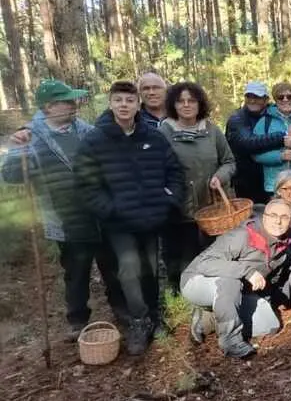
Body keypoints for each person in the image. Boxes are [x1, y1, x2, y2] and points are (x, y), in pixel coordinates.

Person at [1, 80, 124, 339]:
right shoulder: (31, 137)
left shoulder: (87, 131)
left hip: (100, 213)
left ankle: (121, 310)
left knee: (111, 266)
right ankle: (77, 320)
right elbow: (12, 175)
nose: (73, 105)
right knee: (76, 272)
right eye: (66, 101)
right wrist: (16, 149)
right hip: (65, 217)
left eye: (72, 101)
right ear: (49, 107)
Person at [75, 80, 184, 355]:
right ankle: (138, 320)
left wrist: (168, 200)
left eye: (129, 101)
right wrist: (110, 209)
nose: (124, 105)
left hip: (150, 219)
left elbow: (175, 172)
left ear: (138, 105)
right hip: (119, 223)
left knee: (150, 267)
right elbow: (85, 185)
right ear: (110, 103)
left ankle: (155, 318)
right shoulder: (95, 140)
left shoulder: (153, 137)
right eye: (118, 100)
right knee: (129, 268)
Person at [181, 199, 291, 359]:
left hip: (233, 289)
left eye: (284, 217)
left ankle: (208, 319)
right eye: (273, 215)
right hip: (197, 280)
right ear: (264, 216)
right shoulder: (243, 235)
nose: (278, 221)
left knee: (270, 325)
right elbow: (206, 263)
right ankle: (230, 342)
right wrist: (248, 272)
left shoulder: (281, 238)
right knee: (231, 281)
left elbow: (287, 257)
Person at [159, 82, 236, 293]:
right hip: (180, 209)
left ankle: (216, 292)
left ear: (199, 103)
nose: (186, 105)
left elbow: (229, 161)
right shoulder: (163, 132)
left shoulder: (211, 130)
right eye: (180, 101)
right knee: (183, 258)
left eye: (191, 100)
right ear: (173, 105)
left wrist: (220, 176)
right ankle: (181, 295)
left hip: (212, 207)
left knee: (214, 254)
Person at [226, 82, 286, 205]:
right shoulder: (237, 119)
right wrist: (283, 136)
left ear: (265, 99)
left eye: (257, 97)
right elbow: (248, 143)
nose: (252, 100)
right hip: (247, 180)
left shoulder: (272, 113)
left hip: (271, 177)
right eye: (249, 96)